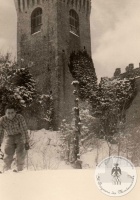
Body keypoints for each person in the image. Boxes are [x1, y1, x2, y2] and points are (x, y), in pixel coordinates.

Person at [0, 105, 30, 172]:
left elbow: (24, 130)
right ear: (5, 113)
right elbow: (0, 132)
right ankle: (6, 171)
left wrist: (26, 142)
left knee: (20, 155)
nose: (10, 114)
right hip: (9, 137)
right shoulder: (2, 120)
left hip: (20, 136)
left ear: (15, 112)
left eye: (12, 112)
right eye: (8, 113)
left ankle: (20, 170)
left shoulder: (19, 117)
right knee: (7, 155)